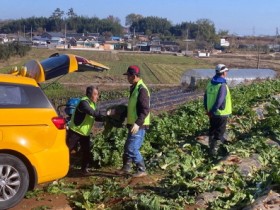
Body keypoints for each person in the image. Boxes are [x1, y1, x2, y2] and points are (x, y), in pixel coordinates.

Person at [114, 65, 150, 178]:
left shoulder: (142, 89)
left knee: (132, 148)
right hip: (133, 123)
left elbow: (145, 110)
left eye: (128, 76)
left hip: (139, 125)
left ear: (134, 76)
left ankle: (142, 169)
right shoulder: (135, 87)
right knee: (127, 147)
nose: (127, 78)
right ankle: (126, 168)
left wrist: (137, 123)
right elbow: (133, 107)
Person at [67, 86, 105, 175]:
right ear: (89, 94)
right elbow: (92, 113)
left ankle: (84, 170)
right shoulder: (84, 103)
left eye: (97, 94)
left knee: (86, 152)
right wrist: (107, 113)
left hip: (85, 133)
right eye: (95, 94)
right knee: (67, 150)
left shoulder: (92, 103)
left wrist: (106, 118)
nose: (97, 97)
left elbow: (95, 116)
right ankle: (61, 169)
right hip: (75, 131)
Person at [204, 64, 232, 155]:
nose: (226, 73)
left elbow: (205, 97)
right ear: (223, 73)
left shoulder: (210, 83)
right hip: (221, 113)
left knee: (212, 129)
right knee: (219, 132)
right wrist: (213, 110)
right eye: (226, 72)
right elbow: (220, 100)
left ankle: (211, 148)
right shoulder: (222, 85)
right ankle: (215, 152)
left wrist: (208, 110)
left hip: (211, 113)